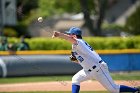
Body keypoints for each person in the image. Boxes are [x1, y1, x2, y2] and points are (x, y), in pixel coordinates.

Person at [52, 27, 140, 93]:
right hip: (88, 71)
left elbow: (70, 39)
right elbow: (82, 61)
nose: (68, 35)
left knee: (114, 89)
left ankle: (135, 90)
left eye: (70, 34)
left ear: (74, 36)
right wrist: (75, 60)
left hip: (99, 69)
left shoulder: (80, 42)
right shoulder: (76, 47)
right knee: (75, 79)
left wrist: (59, 35)